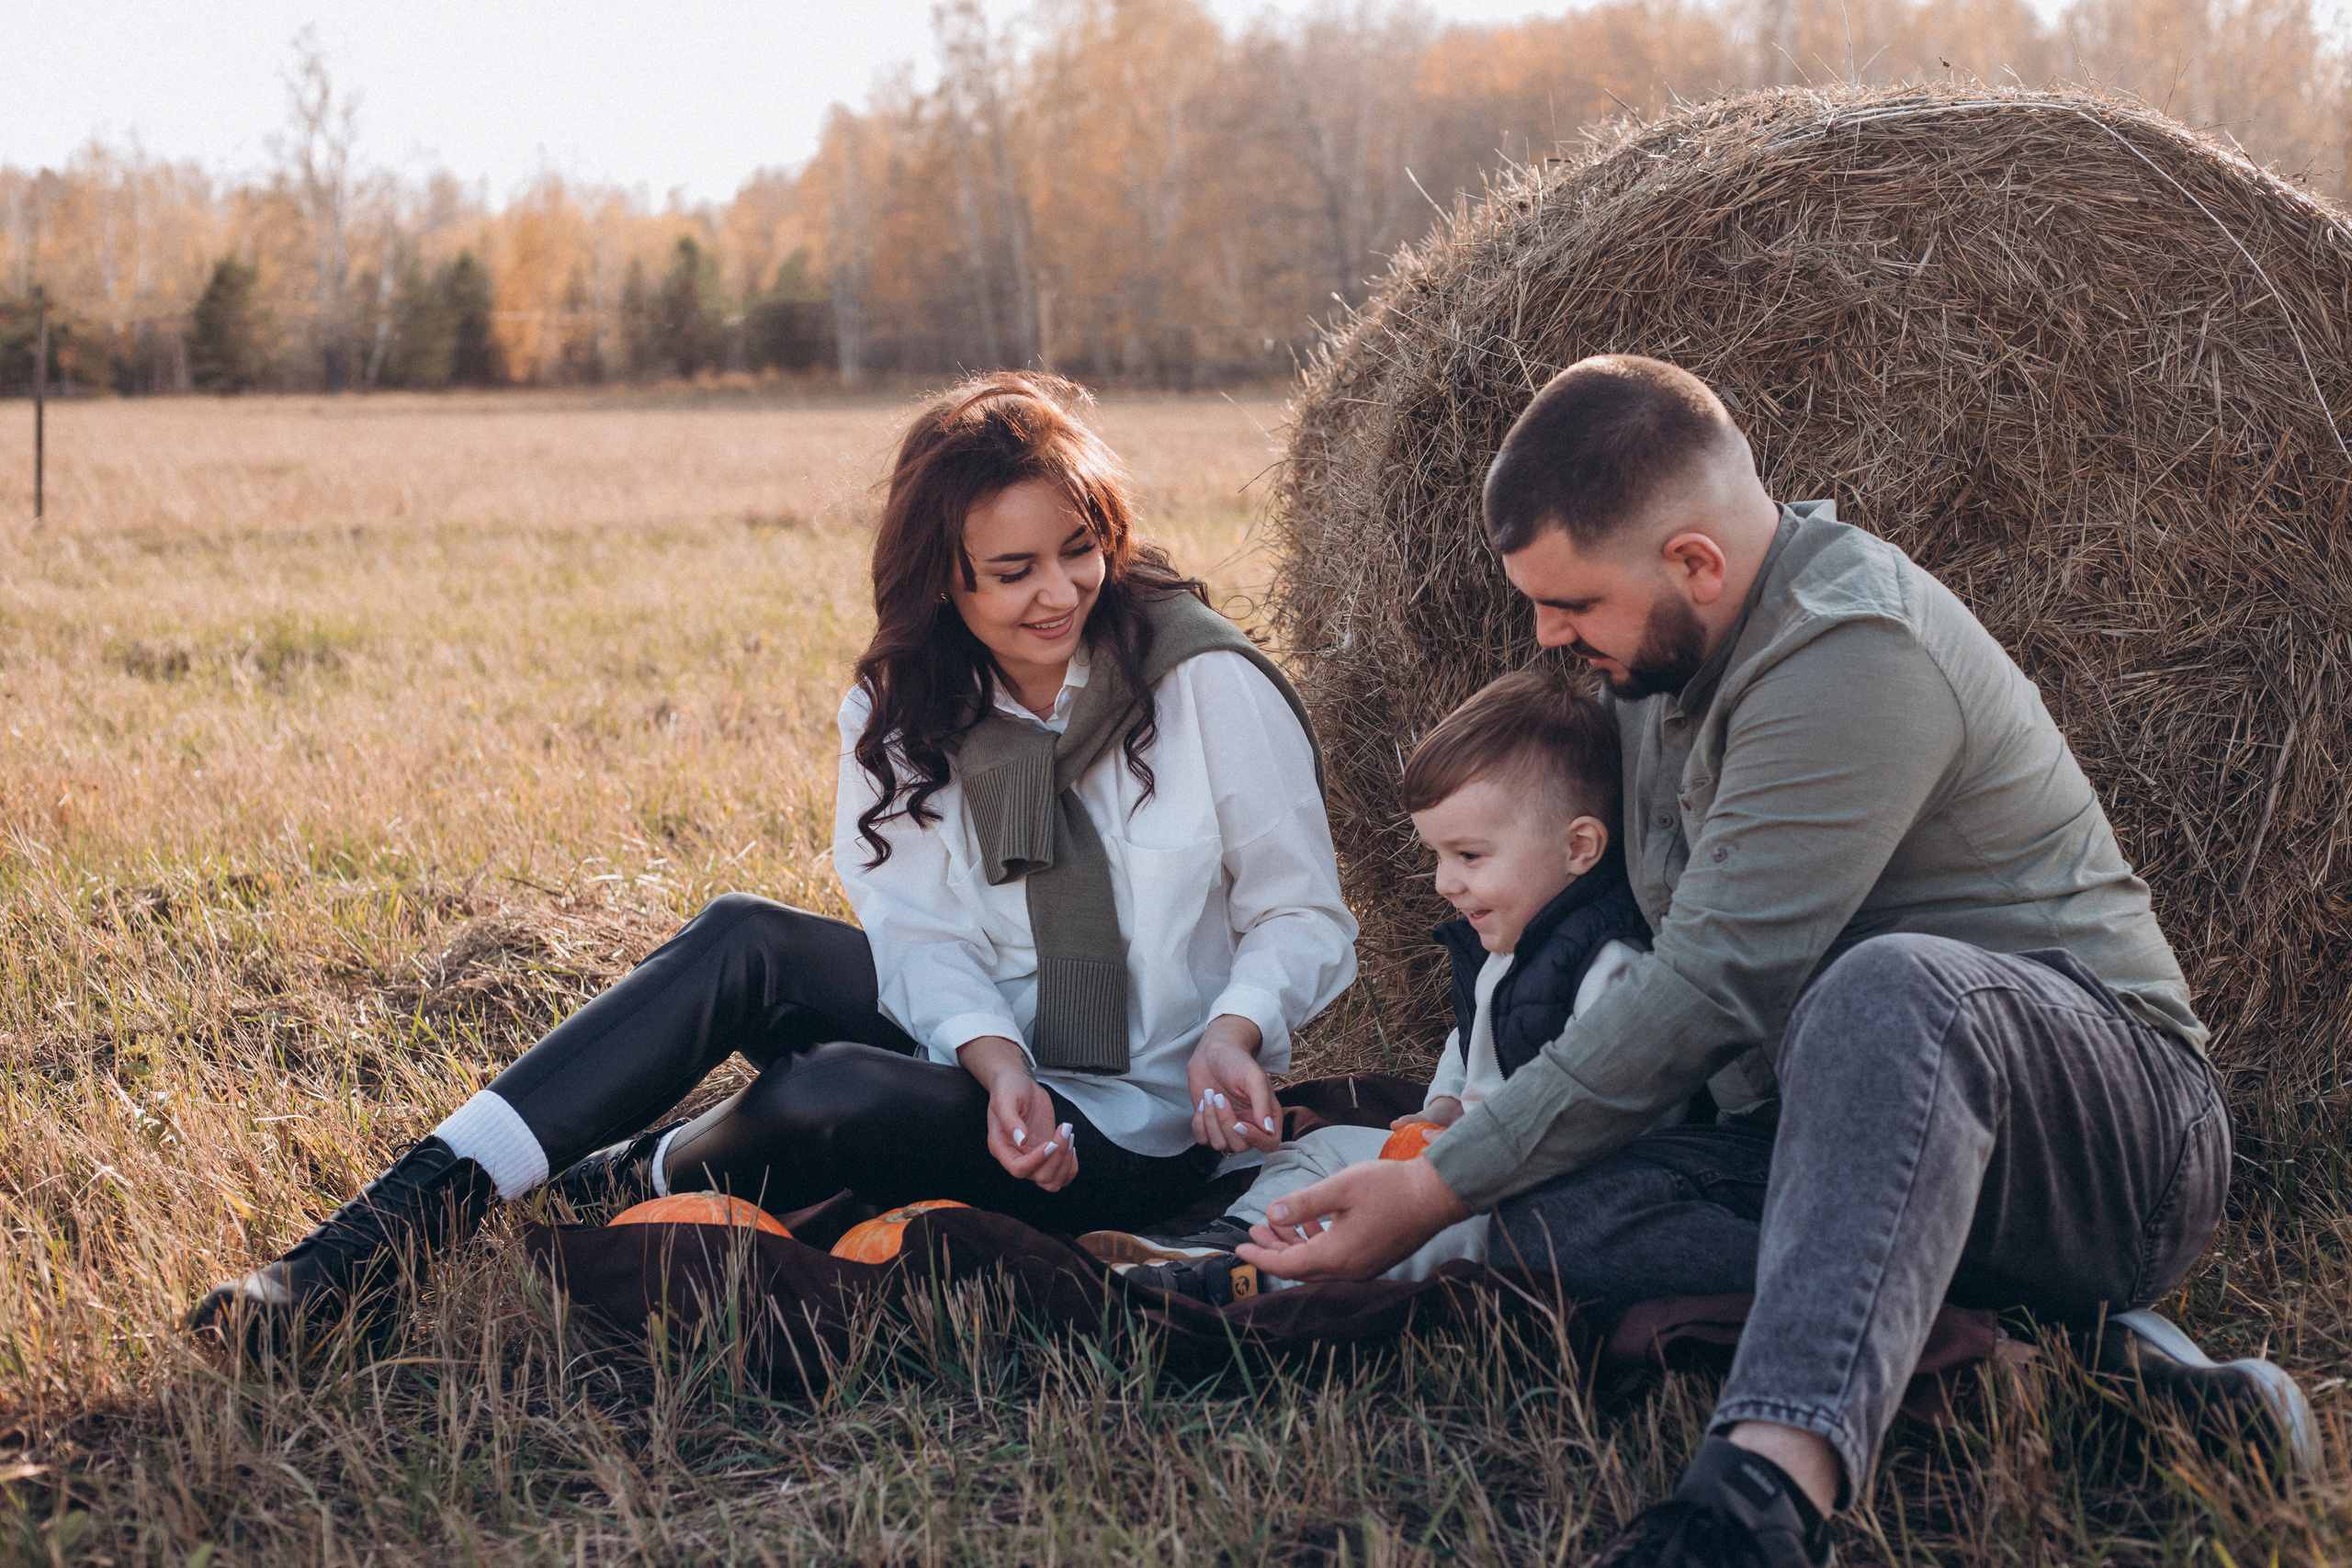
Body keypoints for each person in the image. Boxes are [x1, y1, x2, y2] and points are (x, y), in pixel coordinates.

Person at [1235, 355, 2313, 1567]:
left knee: (1892, 985)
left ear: (1694, 560)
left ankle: (1753, 1498)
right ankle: (2088, 1372)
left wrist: (1431, 1189)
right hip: (1858, 1141)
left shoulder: (1851, 649)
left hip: (2110, 1147)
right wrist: (1472, 1151)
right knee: (1542, 1210)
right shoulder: (1666, 657)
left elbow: (1712, 985)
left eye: (1574, 602)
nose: (1546, 636)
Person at [191, 372, 1357, 1344]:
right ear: (940, 579)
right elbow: (920, 934)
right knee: (743, 935)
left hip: (1132, 1118)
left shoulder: (1202, 682)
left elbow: (1303, 916)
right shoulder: (907, 705)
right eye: (1013, 573)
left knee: (830, 1092)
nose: (1059, 592)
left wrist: (1234, 1030)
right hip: (985, 1047)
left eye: (1080, 549)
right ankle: (377, 1241)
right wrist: (999, 1066)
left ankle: (649, 1166)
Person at [1079, 666, 1650, 1303]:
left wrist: (1464, 1158)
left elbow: (1610, 1109)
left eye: (1469, 856)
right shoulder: (1508, 938)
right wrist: (1442, 1105)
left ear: (1579, 847)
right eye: (1437, 856)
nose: (1443, 882)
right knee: (1319, 1149)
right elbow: (1472, 1044)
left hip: (1544, 1183)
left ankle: (1250, 1280)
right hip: (1459, 1155)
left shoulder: (1612, 965)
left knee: (1445, 1233)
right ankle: (1228, 1238)